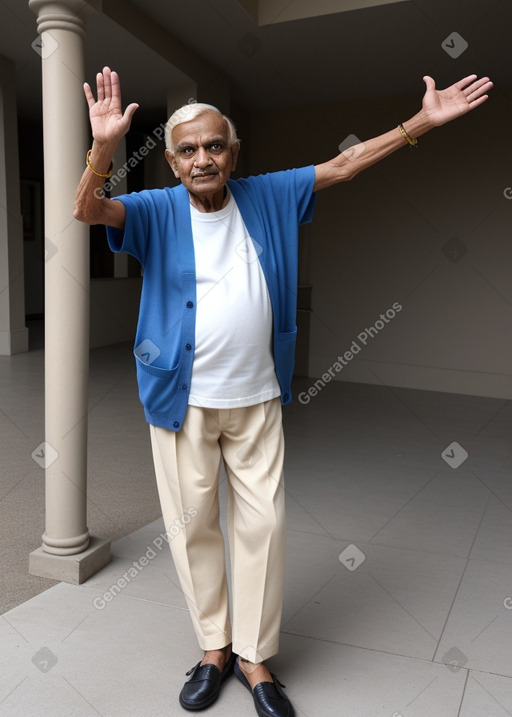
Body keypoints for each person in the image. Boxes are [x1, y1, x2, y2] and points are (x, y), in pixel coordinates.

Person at [74, 66, 492, 717]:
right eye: (187, 149)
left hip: (257, 399)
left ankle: (254, 656)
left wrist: (421, 124)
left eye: (214, 145)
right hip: (179, 402)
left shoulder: (266, 195)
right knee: (193, 530)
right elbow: (86, 209)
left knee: (264, 527)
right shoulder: (156, 210)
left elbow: (345, 165)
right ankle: (214, 648)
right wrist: (103, 148)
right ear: (174, 162)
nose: (202, 157)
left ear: (233, 154)